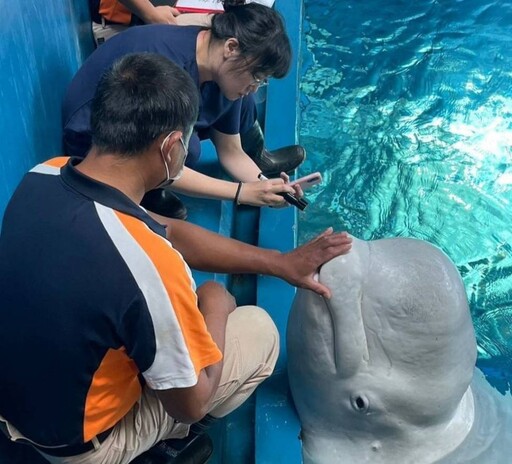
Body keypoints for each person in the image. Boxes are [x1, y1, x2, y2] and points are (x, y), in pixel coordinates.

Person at [0, 53, 352, 464]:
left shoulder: (44, 174)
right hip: (76, 446)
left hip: (15, 406)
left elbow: (172, 231)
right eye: (186, 141)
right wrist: (216, 305)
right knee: (259, 332)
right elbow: (192, 401)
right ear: (170, 147)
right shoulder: (148, 266)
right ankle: (163, 449)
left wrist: (279, 262)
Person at [64, 1, 305, 215]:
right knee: (188, 149)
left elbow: (232, 152)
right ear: (231, 47)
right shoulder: (165, 72)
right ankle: (147, 192)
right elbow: (161, 160)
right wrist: (241, 192)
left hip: (148, 128)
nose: (255, 86)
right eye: (257, 76)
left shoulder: (225, 67)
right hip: (95, 141)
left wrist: (266, 186)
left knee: (237, 109)